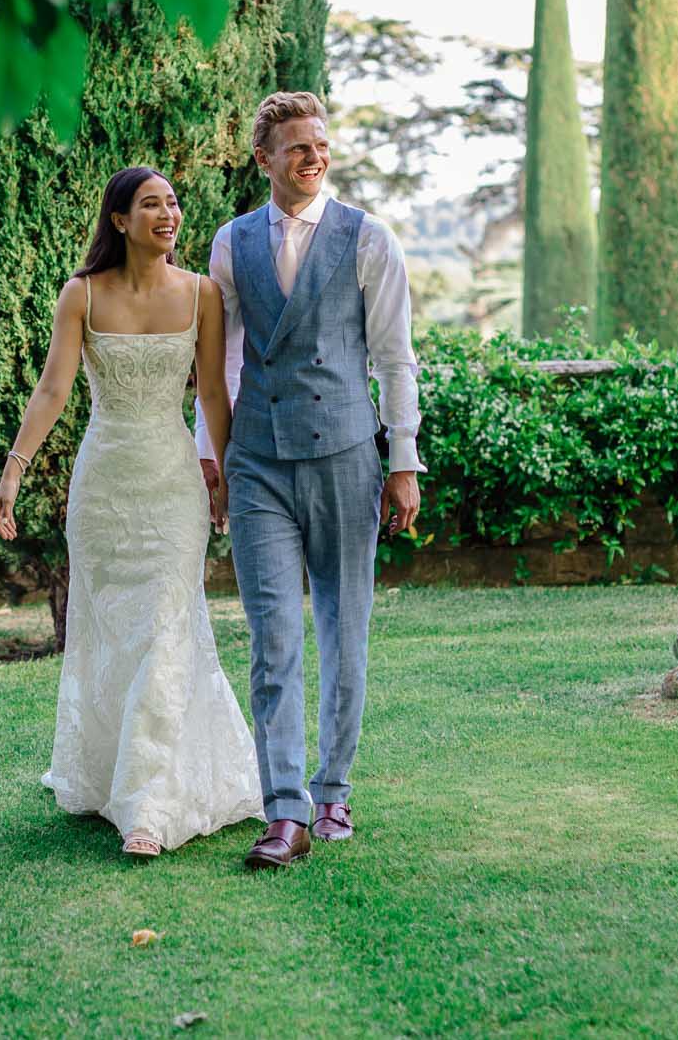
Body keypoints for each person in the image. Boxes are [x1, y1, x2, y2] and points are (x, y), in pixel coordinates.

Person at [0, 166, 261, 859]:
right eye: (151, 204)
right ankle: (109, 774)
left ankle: (150, 801)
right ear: (120, 220)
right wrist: (14, 469)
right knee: (114, 632)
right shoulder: (80, 294)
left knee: (169, 628)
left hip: (172, 487)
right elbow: (53, 389)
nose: (168, 213)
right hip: (105, 487)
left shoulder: (202, 294)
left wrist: (225, 475)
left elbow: (209, 395)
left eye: (172, 202)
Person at [195, 90, 424, 871]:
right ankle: (284, 810)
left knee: (343, 629)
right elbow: (220, 360)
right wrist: (211, 453)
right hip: (257, 459)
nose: (314, 156)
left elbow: (394, 358)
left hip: (347, 454)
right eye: (297, 147)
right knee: (273, 638)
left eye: (320, 144)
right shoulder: (230, 243)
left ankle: (333, 789)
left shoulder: (368, 239)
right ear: (264, 160)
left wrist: (403, 460)